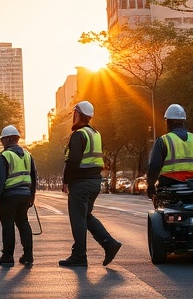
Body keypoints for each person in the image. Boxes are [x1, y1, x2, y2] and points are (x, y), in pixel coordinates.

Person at [59, 101, 122, 268]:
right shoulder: (95, 133)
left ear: (78, 114)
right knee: (86, 216)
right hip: (94, 181)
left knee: (78, 217)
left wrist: (66, 180)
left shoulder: (79, 134)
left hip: (81, 183)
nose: (73, 116)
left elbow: (73, 161)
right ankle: (109, 243)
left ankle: (79, 255)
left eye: (74, 113)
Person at [0, 125, 37, 267]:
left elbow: (0, 180)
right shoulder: (28, 154)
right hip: (25, 195)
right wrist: (32, 196)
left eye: (3, 139)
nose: (2, 142)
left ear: (9, 139)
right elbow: (34, 177)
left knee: (8, 224)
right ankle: (28, 255)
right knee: (23, 222)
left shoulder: (4, 156)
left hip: (9, 196)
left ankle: (7, 256)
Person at [146, 103, 193, 201]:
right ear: (183, 122)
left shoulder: (163, 141)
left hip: (170, 187)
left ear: (167, 122)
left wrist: (151, 186)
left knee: (162, 212)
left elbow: (154, 166)